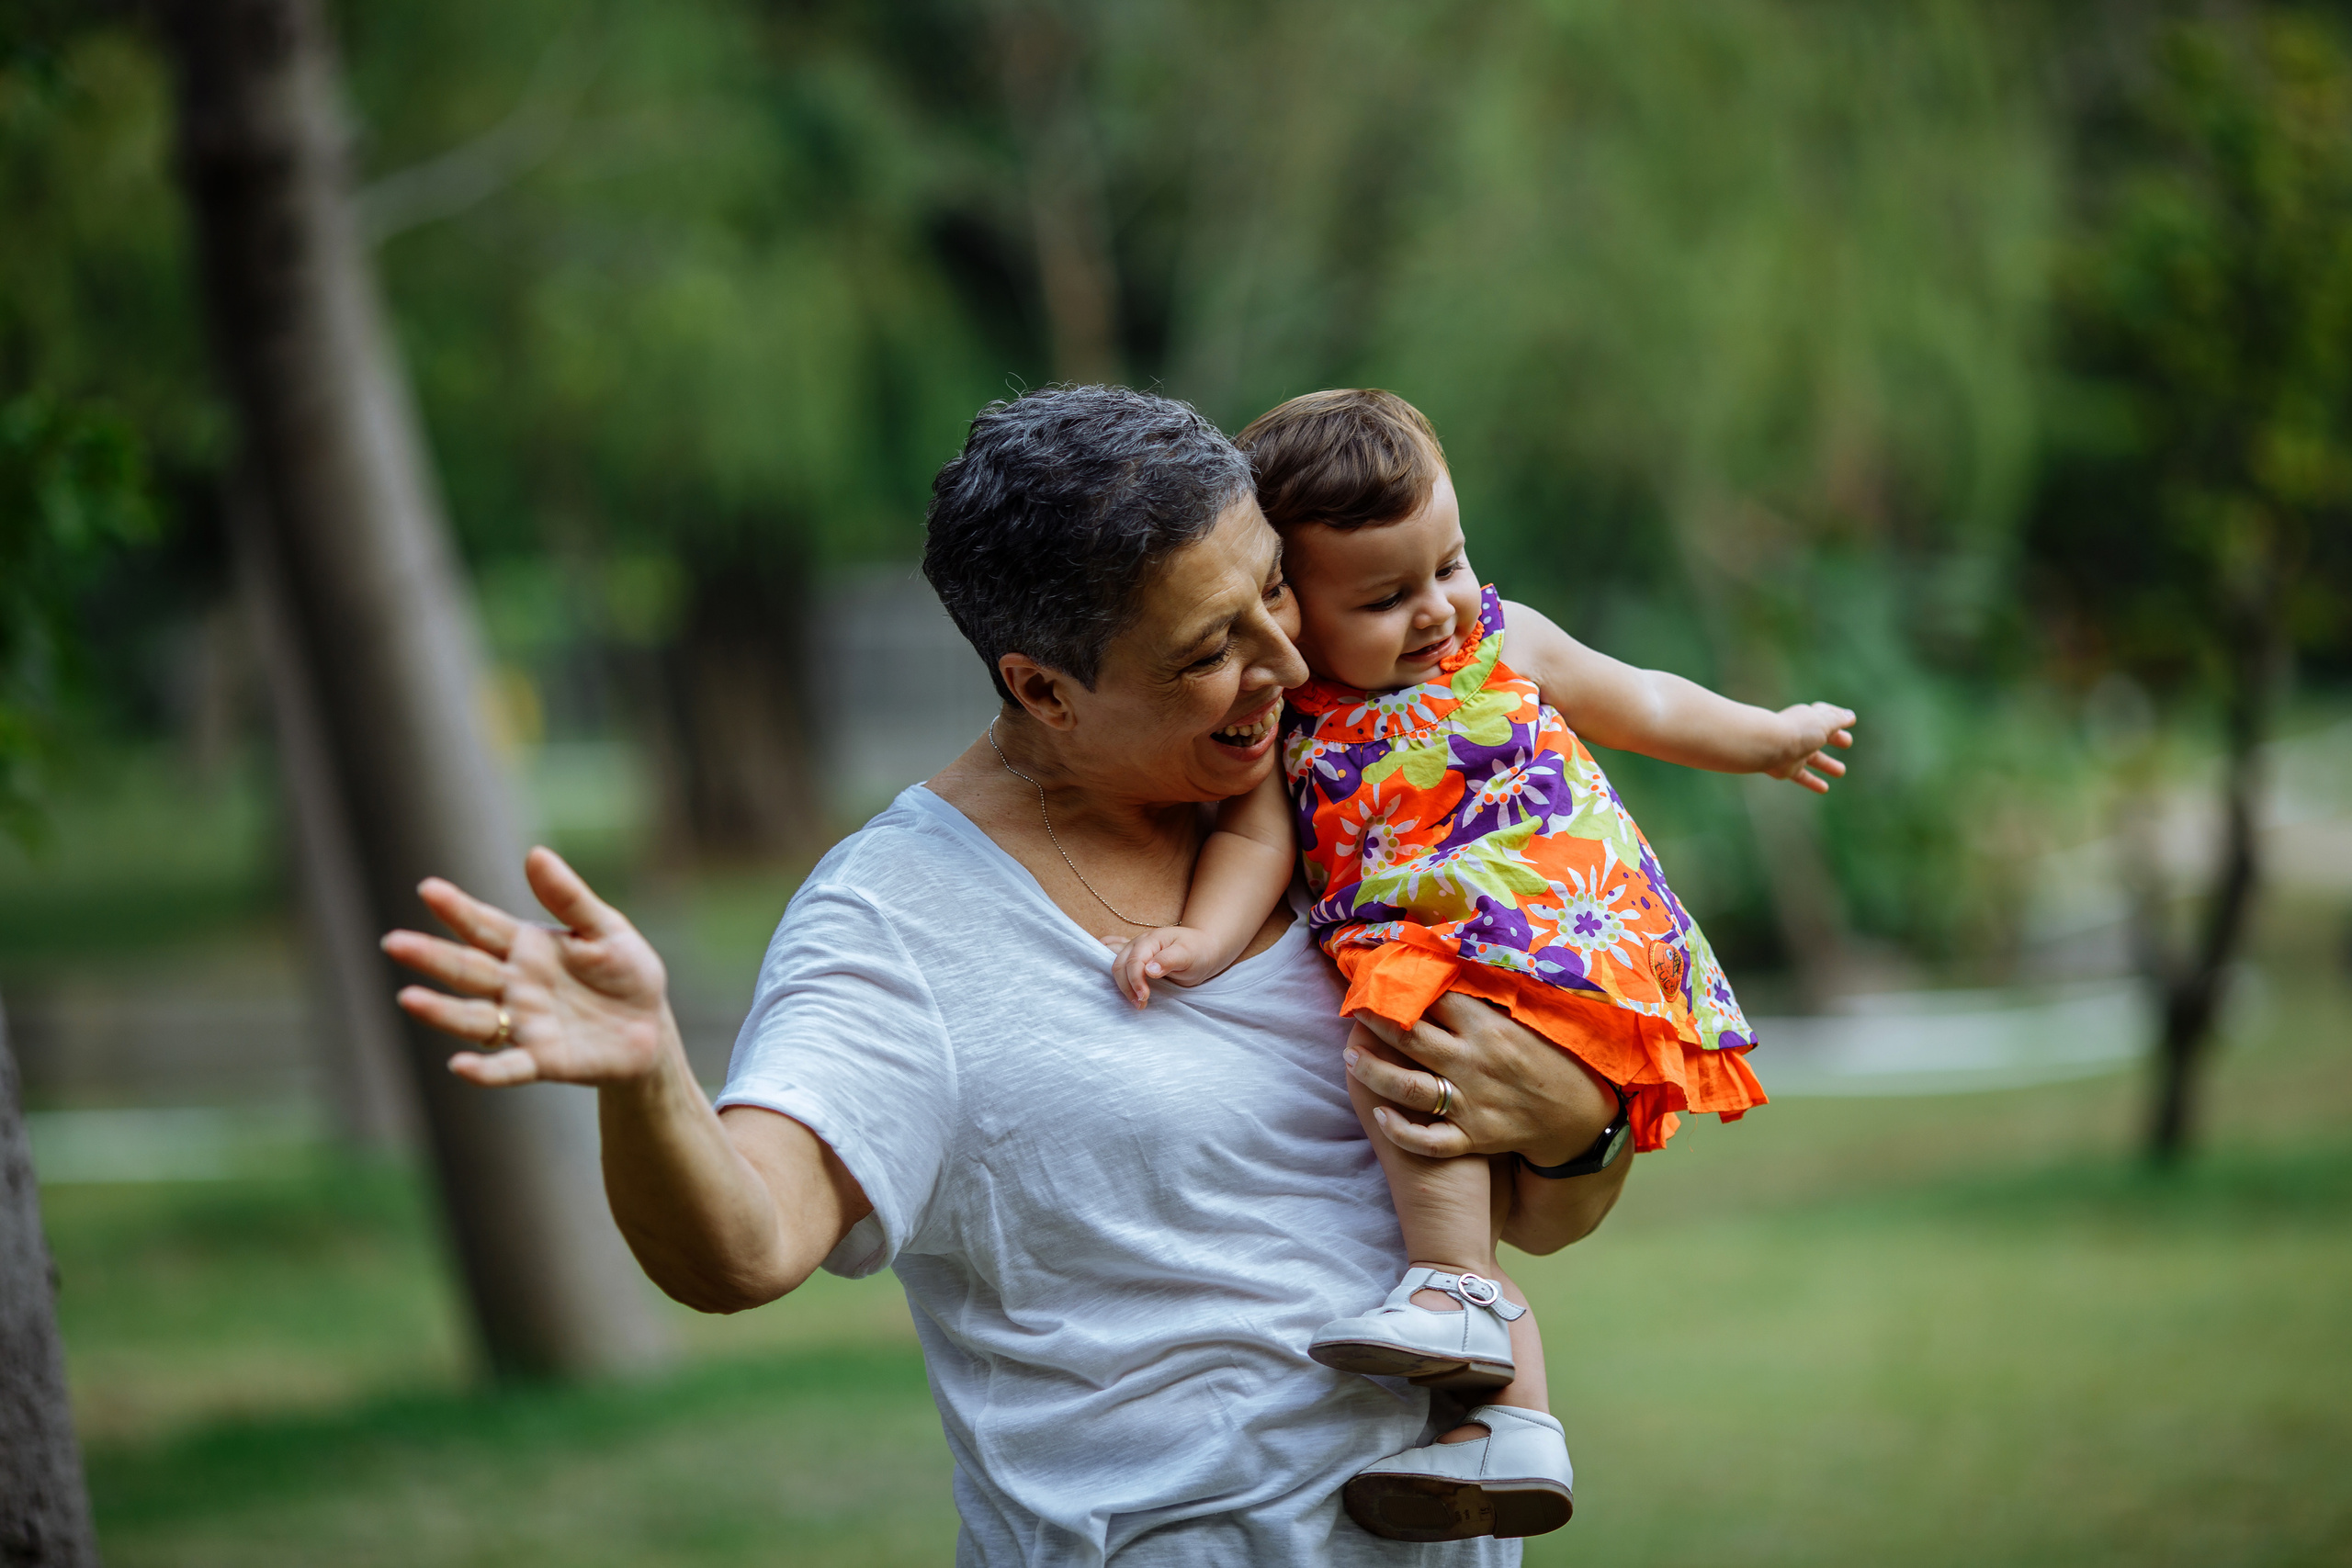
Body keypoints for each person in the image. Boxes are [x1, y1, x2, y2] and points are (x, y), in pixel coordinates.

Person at [380, 385, 1634, 1566]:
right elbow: (742, 1246)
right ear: (1041, 687)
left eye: (1275, 592)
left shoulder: (1344, 799)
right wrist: (649, 1073)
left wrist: (1580, 1122)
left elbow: (1539, 1215)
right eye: (1211, 648)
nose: (1290, 664)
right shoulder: (898, 920)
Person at [1107, 390, 1858, 1534]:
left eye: (1449, 564)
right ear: (1288, 607)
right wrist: (1201, 940)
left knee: (1396, 1041)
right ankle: (1505, 1424)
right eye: (1384, 596)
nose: (1435, 609)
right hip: (1440, 955)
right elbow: (1257, 843)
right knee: (1408, 1043)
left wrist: (1765, 737)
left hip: (1559, 928)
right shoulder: (1293, 718)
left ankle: (1453, 1290)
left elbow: (1642, 700)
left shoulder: (1503, 638)